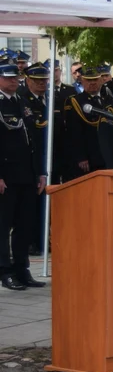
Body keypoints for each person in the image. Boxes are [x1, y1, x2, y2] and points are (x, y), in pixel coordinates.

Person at [0, 62, 46, 290]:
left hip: (27, 174)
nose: (13, 81)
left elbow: (34, 142)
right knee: (3, 225)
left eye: (15, 78)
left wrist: (41, 172)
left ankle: (22, 269)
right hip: (6, 175)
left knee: (24, 225)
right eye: (8, 78)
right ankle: (5, 271)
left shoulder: (22, 101)